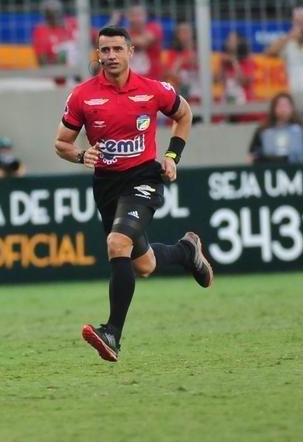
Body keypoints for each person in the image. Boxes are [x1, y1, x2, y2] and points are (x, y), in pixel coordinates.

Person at [54, 25, 214, 363]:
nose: (110, 56)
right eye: (104, 50)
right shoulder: (82, 96)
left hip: (143, 178)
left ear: (130, 52)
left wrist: (172, 156)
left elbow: (184, 114)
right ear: (97, 55)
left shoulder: (153, 90)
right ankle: (187, 252)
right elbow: (61, 144)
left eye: (116, 49)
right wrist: (82, 155)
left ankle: (112, 333)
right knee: (143, 264)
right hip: (107, 185)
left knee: (117, 244)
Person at [247, 92, 303, 164]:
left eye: (286, 106)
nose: (283, 110)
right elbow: (252, 154)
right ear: (273, 108)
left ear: (292, 108)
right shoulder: (263, 130)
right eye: (280, 106)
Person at [108, 3, 163, 78]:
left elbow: (143, 42)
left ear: (146, 16)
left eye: (139, 15)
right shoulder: (125, 32)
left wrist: (116, 39)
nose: (137, 18)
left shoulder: (154, 27)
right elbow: (102, 39)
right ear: (128, 17)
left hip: (151, 79)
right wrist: (114, 21)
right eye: (133, 15)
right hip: (130, 79)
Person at [31, 0, 78, 68]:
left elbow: (98, 37)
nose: (55, 16)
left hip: (82, 68)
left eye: (57, 12)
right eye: (50, 14)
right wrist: (59, 61)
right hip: (60, 72)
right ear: (46, 16)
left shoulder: (73, 23)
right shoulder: (41, 31)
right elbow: (42, 64)